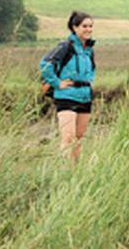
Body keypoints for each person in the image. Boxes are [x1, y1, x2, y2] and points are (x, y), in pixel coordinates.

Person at [39, 11, 96, 163]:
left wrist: (89, 81)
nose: (88, 29)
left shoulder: (89, 50)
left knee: (78, 139)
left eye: (90, 26)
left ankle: (75, 173)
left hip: (85, 97)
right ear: (74, 27)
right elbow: (45, 65)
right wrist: (57, 83)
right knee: (68, 138)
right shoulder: (65, 46)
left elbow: (92, 69)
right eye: (85, 26)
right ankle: (64, 172)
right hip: (66, 97)